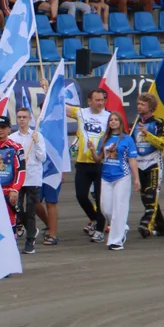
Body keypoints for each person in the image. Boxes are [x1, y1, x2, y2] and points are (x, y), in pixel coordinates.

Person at [65, 87, 110, 242]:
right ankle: (95, 219)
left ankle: (99, 229)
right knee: (81, 195)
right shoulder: (81, 112)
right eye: (97, 100)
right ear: (89, 101)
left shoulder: (109, 117)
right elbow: (60, 106)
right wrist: (47, 91)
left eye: (102, 100)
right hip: (83, 163)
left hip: (101, 163)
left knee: (99, 198)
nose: (100, 103)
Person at [94, 111, 140, 250]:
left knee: (119, 209)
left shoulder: (127, 139)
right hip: (106, 176)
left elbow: (132, 159)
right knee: (106, 208)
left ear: (120, 122)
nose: (113, 122)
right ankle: (122, 227)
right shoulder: (104, 139)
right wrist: (91, 149)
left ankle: (116, 241)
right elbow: (98, 159)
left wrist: (136, 178)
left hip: (122, 176)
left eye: (116, 120)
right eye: (111, 120)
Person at [131, 93, 164, 239]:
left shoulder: (160, 123)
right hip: (138, 165)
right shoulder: (134, 123)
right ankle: (161, 227)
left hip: (153, 164)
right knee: (146, 199)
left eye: (142, 104)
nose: (139, 106)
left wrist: (148, 135)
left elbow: (162, 144)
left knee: (151, 195)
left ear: (151, 107)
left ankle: (145, 224)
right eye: (138, 103)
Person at [10, 107, 45, 252]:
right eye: (19, 117)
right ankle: (30, 229)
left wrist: (36, 143)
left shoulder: (37, 135)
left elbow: (43, 158)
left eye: (24, 117)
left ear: (30, 118)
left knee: (31, 210)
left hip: (32, 177)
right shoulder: (12, 138)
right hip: (18, 179)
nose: (22, 120)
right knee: (16, 208)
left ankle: (30, 241)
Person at [0, 116, 26, 227]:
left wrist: (15, 189)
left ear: (9, 129)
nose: (0, 130)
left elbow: (21, 171)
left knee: (10, 221)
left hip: (8, 191)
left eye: (3, 127)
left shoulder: (16, 148)